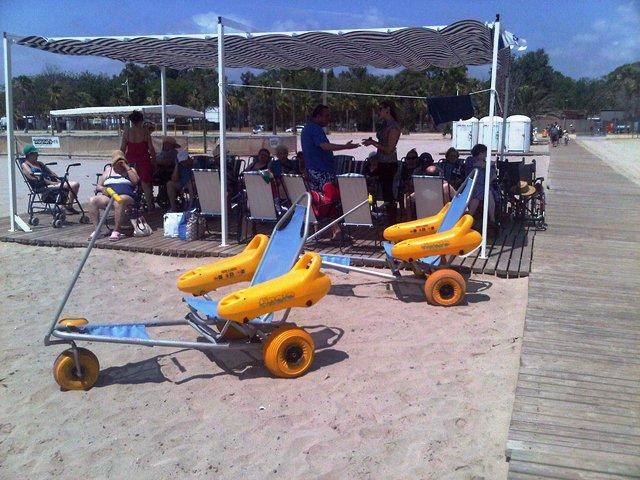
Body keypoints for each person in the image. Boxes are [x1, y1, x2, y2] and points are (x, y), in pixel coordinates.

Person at [301, 105, 359, 241]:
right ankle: (336, 231)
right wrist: (346, 147)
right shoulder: (315, 129)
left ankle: (321, 231)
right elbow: (324, 146)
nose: (329, 118)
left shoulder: (307, 129)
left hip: (314, 170)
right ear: (318, 116)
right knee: (330, 201)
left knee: (319, 200)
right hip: (321, 171)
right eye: (326, 115)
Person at [362, 101, 401, 225]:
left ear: (387, 109)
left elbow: (389, 149)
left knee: (388, 193)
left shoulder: (394, 127)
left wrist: (373, 143)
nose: (378, 112)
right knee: (372, 184)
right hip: (381, 162)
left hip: (389, 163)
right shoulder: (384, 125)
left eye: (380, 109)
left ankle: (392, 221)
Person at [87, 150, 139, 241]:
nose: (119, 163)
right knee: (92, 200)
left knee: (119, 200)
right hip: (109, 197)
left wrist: (126, 167)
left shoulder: (130, 170)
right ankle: (97, 230)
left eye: (121, 161)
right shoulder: (108, 171)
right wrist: (103, 189)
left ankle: (117, 230)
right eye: (117, 161)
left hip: (126, 197)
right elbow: (98, 186)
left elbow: (136, 181)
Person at [20, 143, 81, 215]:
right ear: (30, 155)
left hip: (50, 183)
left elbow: (51, 173)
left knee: (75, 184)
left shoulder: (40, 163)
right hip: (42, 186)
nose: (38, 155)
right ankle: (65, 206)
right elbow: (34, 177)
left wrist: (58, 179)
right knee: (73, 185)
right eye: (36, 154)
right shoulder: (25, 165)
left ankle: (69, 206)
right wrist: (51, 183)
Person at [120, 110, 156, 210]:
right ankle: (150, 207)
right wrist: (154, 160)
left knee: (130, 183)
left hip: (130, 160)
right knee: (146, 184)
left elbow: (122, 148)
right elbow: (151, 148)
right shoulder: (145, 132)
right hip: (144, 160)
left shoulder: (127, 132)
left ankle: (129, 206)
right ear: (141, 120)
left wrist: (121, 160)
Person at [465, 144, 497, 226]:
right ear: (480, 153)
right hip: (472, 185)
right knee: (481, 193)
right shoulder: (470, 160)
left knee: (487, 192)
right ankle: (491, 219)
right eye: (485, 153)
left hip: (485, 186)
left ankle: (492, 219)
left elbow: (493, 176)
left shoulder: (488, 163)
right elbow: (478, 165)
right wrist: (491, 164)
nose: (486, 155)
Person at [155, 137, 181, 208]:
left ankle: (166, 196)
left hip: (170, 173)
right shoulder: (163, 152)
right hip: (162, 172)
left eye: (166, 144)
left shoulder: (173, 152)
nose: (164, 145)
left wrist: (156, 161)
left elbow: (166, 162)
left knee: (162, 176)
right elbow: (157, 160)